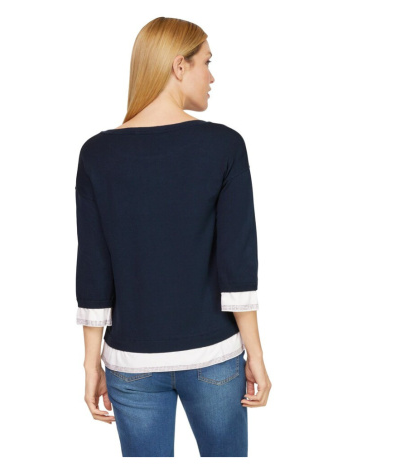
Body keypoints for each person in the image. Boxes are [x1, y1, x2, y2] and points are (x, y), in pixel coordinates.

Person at [74, 16, 272, 457]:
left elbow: (93, 267)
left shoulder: (97, 154)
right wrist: (255, 355)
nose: (212, 76)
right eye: (207, 62)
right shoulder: (224, 145)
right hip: (214, 358)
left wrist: (90, 363)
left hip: (131, 365)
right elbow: (237, 262)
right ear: (179, 66)